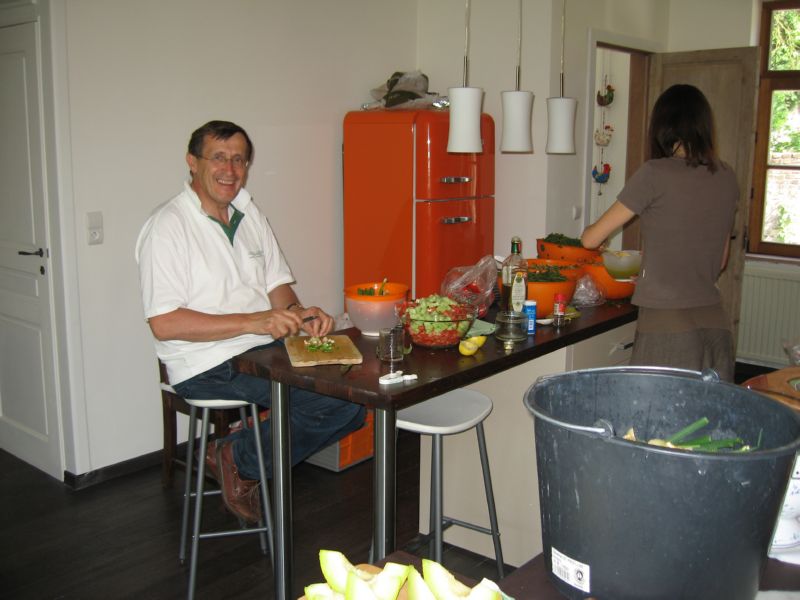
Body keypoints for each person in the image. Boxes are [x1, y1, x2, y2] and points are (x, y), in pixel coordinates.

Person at [135, 120, 365, 522]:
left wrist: (299, 315)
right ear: (192, 162)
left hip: (259, 349)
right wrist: (256, 322)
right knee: (335, 405)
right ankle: (237, 457)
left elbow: (277, 285)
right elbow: (165, 323)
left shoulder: (248, 212)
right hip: (204, 364)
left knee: (352, 401)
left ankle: (238, 454)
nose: (230, 169)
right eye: (219, 158)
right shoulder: (167, 227)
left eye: (239, 159)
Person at [581, 84, 739, 381]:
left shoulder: (655, 173)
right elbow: (719, 260)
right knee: (708, 423)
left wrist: (594, 236)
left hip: (667, 326)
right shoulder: (727, 175)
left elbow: (590, 239)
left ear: (663, 126)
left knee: (655, 423)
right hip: (716, 325)